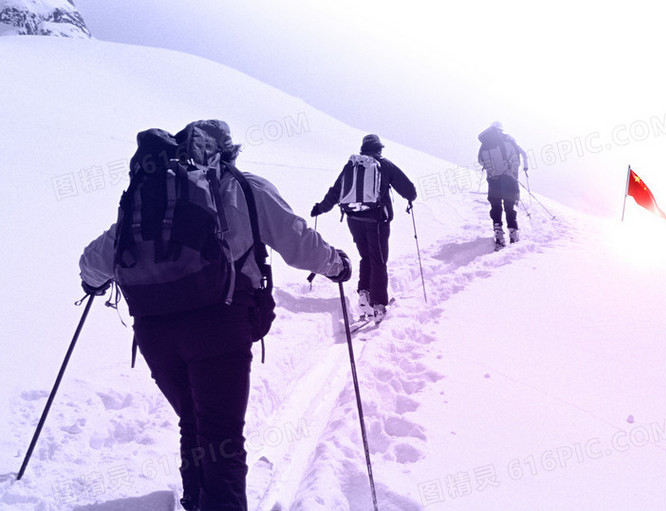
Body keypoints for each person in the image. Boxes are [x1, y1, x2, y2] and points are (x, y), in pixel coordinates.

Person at [79, 120, 351, 511]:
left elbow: (96, 259)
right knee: (221, 437)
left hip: (155, 331)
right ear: (227, 150)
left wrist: (91, 283)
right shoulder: (244, 187)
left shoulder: (156, 196)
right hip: (219, 325)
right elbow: (297, 241)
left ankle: (196, 501)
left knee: (193, 420)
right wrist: (335, 265)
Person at [311, 134, 417, 322]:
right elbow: (409, 190)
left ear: (363, 148)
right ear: (379, 149)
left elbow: (336, 191)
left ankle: (364, 296)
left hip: (353, 219)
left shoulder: (351, 166)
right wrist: (411, 197)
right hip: (376, 221)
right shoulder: (384, 164)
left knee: (365, 257)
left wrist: (320, 208)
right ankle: (379, 305)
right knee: (379, 260)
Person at [477, 121, 528, 246]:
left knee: (495, 206)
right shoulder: (508, 140)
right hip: (508, 178)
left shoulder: (485, 144)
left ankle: (498, 231)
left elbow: (480, 160)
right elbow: (522, 154)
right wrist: (522, 169)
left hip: (493, 179)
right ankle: (513, 232)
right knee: (509, 206)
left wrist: (492, 170)